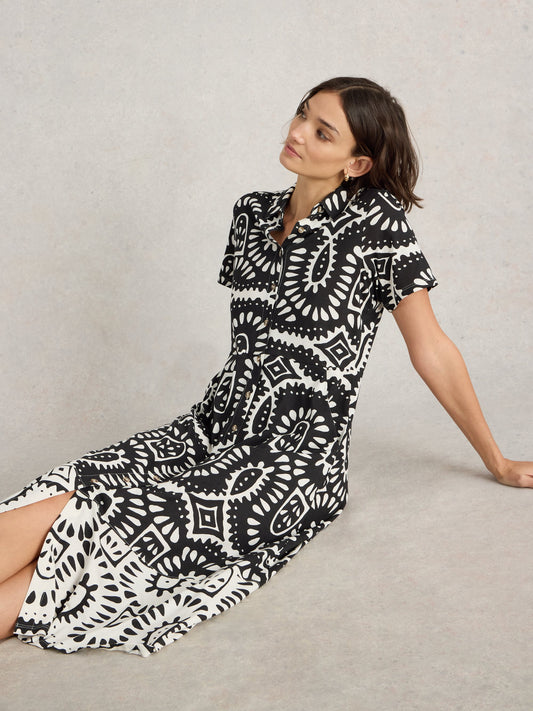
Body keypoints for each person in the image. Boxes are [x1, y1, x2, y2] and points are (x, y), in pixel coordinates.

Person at [0, 77, 531, 658]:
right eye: (303, 115)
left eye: (322, 132)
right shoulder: (252, 214)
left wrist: (497, 460)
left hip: (290, 461)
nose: (297, 133)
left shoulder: (377, 225)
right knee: (68, 486)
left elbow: (431, 348)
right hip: (209, 428)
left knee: (97, 524)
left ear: (356, 163)